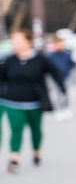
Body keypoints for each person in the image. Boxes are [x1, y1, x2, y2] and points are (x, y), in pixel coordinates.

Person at [1, 29, 68, 173]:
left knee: (36, 130)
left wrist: (62, 87)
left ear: (28, 42)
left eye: (18, 41)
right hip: (13, 102)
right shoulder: (9, 60)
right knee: (16, 130)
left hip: (35, 102)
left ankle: (36, 152)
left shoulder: (40, 59)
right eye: (13, 42)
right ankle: (14, 159)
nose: (15, 44)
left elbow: (54, 72)